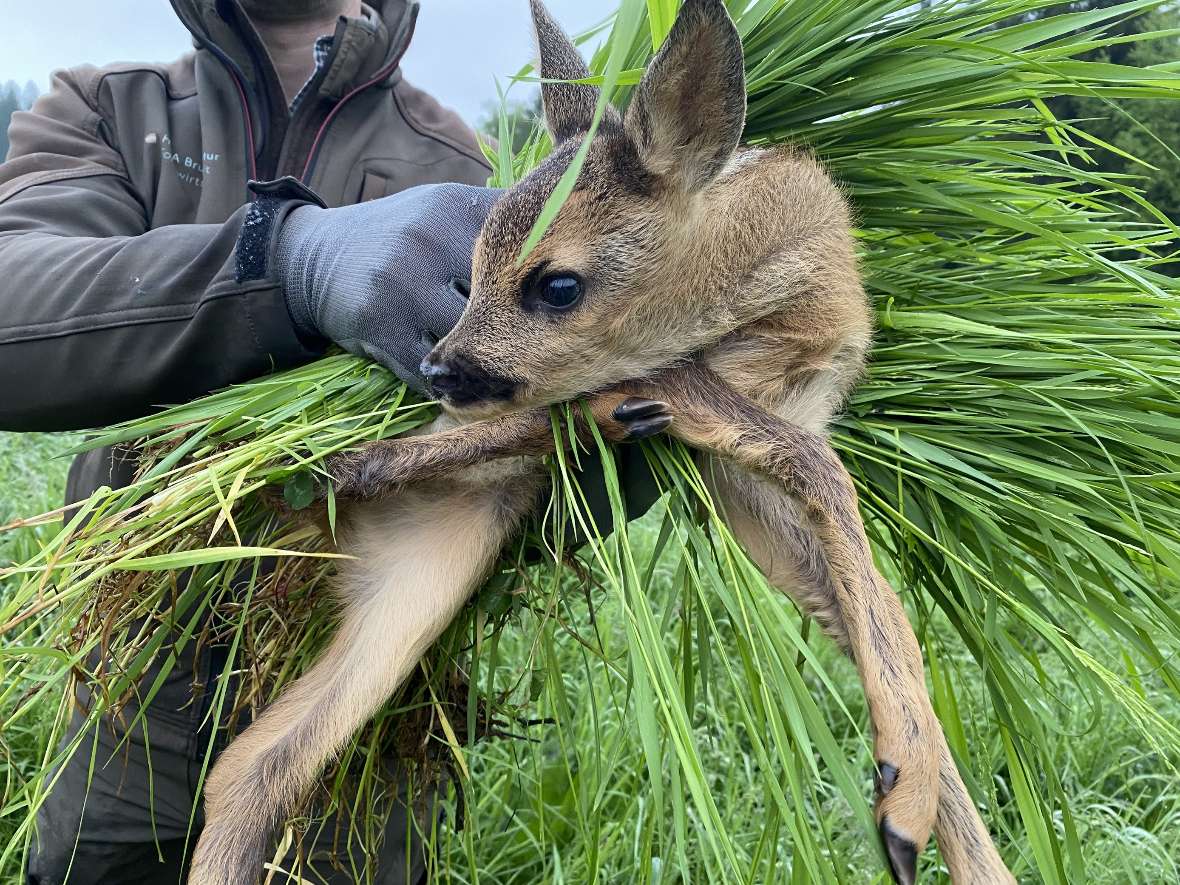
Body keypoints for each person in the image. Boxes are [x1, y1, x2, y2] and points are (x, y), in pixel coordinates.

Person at [0, 1, 654, 882]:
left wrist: (612, 460)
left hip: (357, 721)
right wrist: (293, 261)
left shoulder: (457, 163)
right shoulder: (114, 112)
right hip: (133, 693)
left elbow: (500, 465)